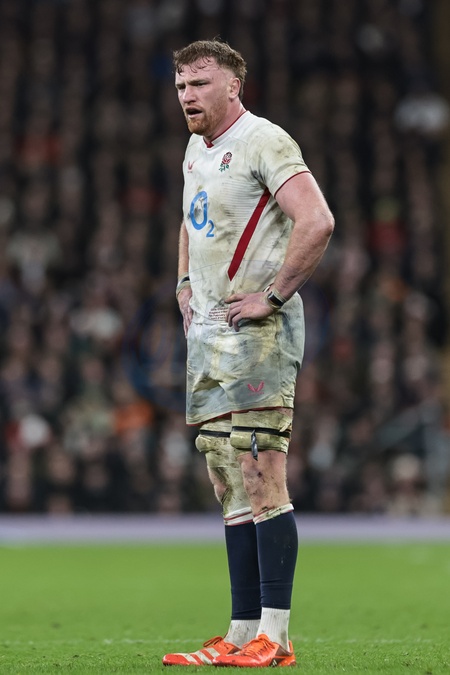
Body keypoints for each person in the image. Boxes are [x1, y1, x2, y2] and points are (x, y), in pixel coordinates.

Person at [162, 39, 334, 668]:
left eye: (200, 84)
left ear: (233, 85)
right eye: (181, 85)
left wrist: (273, 296)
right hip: (209, 336)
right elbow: (191, 218)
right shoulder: (195, 148)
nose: (187, 96)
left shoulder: (265, 140)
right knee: (226, 475)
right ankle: (240, 633)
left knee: (262, 472)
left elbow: (317, 220)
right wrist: (184, 282)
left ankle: (277, 636)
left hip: (258, 335)